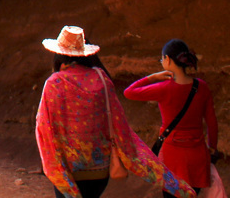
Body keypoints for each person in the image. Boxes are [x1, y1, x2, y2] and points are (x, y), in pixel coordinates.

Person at [35, 25, 195, 198]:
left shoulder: (54, 83)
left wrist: (55, 170)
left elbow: (44, 129)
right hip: (100, 173)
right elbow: (121, 128)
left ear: (58, 55)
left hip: (68, 171)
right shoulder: (101, 79)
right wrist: (167, 180)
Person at [124, 39, 218, 197]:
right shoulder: (202, 87)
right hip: (197, 155)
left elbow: (129, 92)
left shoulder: (163, 88)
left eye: (162, 59)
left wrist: (153, 77)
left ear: (167, 59)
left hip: (172, 156)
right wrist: (212, 148)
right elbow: (212, 122)